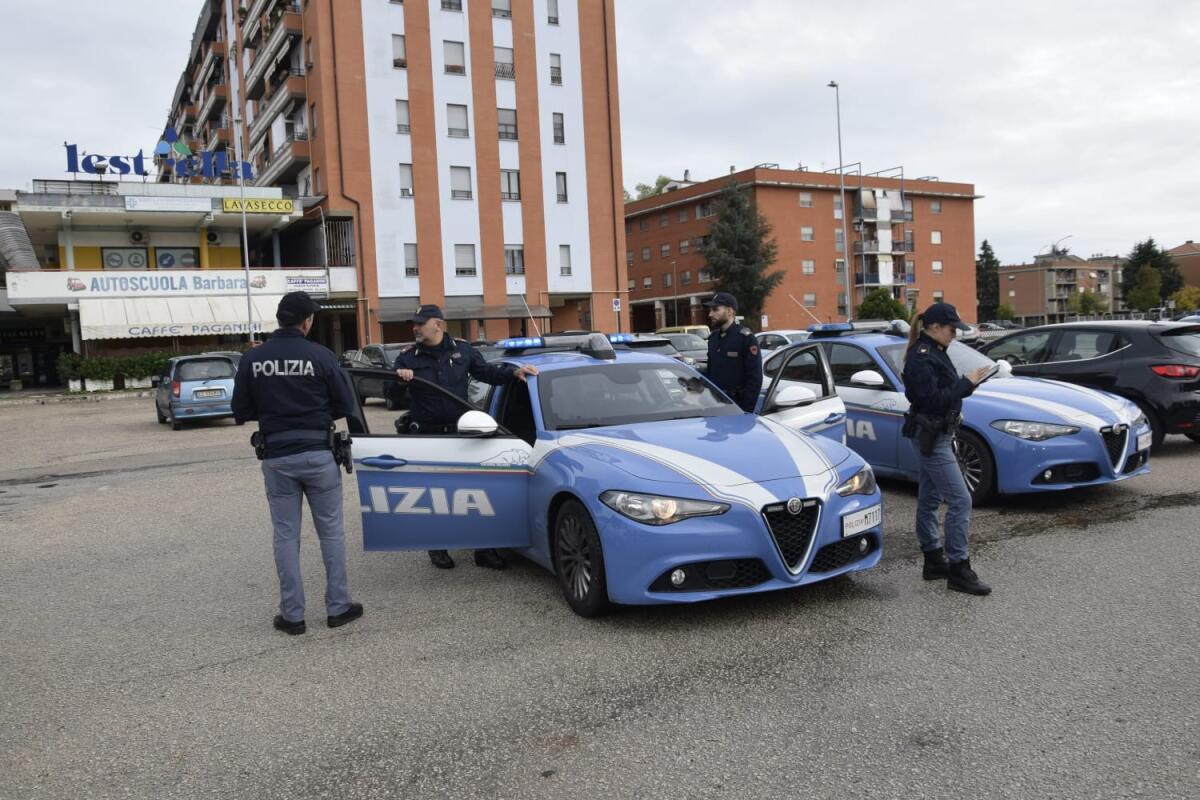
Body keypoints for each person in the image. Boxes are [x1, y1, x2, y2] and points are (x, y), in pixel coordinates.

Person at [232, 291, 364, 635]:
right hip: (319, 454)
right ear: (307, 321)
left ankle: (292, 616)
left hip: (277, 457)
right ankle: (338, 607)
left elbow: (240, 411)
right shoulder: (320, 355)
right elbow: (345, 404)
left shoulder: (253, 359)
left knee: (286, 537)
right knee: (332, 533)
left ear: (280, 320)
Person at [393, 304, 538, 570]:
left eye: (420, 323)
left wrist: (514, 373)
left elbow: (488, 374)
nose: (415, 327)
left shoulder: (464, 350)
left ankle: (483, 549)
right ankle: (438, 547)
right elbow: (391, 394)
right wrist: (400, 380)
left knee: (474, 493)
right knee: (435, 496)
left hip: (463, 433)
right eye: (414, 323)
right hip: (427, 436)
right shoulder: (407, 357)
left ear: (438, 324)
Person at [902, 302, 993, 596]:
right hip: (932, 434)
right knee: (960, 500)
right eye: (952, 329)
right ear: (936, 327)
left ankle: (932, 560)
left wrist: (969, 384)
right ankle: (959, 568)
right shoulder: (921, 357)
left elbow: (945, 393)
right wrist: (966, 384)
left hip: (939, 432)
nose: (955, 334)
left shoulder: (936, 352)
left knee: (929, 498)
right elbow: (932, 400)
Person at [703, 292, 763, 412]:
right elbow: (711, 372)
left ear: (730, 312)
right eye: (710, 310)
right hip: (715, 406)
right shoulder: (713, 338)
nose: (710, 314)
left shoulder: (746, 338)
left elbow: (755, 379)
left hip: (737, 406)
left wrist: (745, 411)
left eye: (715, 309)